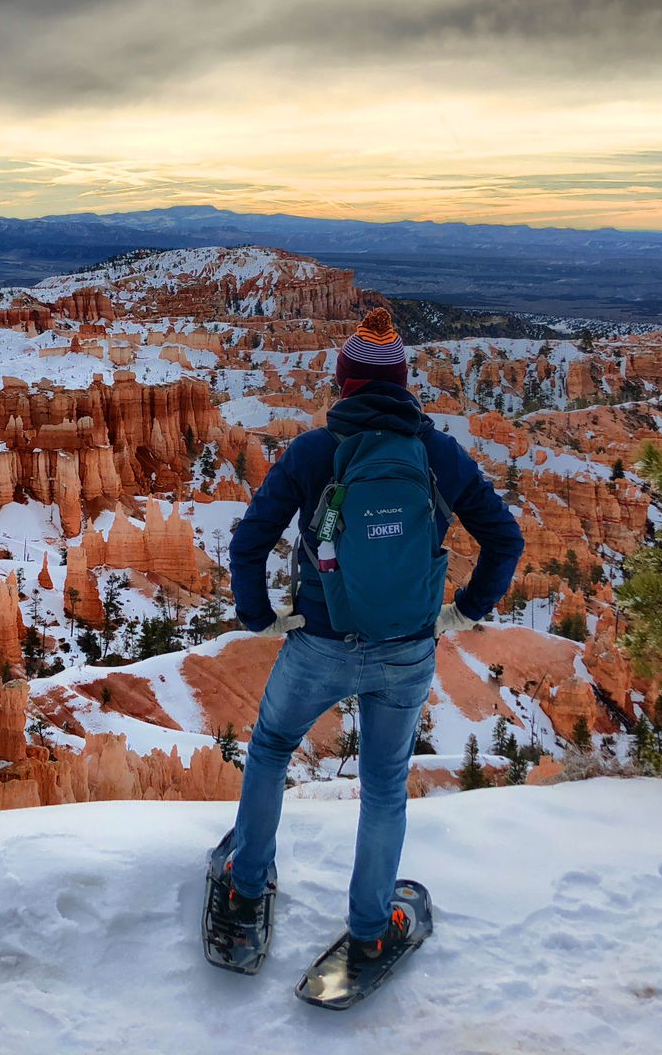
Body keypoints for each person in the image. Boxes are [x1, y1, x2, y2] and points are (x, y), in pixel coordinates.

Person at [223, 307, 524, 960]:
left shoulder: (311, 451)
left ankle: (245, 889)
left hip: (319, 644)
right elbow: (506, 539)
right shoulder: (437, 453)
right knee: (384, 787)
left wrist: (261, 616)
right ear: (403, 384)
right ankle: (368, 928)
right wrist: (466, 612)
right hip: (407, 649)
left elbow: (248, 544)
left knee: (272, 749)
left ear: (344, 383)